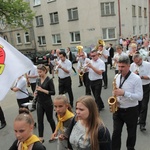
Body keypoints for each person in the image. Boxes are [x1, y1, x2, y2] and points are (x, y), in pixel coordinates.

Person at [111, 55, 143, 150]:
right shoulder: (116, 76)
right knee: (116, 133)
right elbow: (115, 91)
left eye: (122, 67)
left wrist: (124, 93)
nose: (120, 69)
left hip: (131, 110)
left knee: (131, 133)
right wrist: (114, 97)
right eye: (119, 66)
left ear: (129, 66)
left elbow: (140, 97)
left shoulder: (136, 78)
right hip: (118, 109)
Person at [36, 64, 56, 142]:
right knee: (39, 120)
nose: (39, 74)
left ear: (45, 71)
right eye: (38, 72)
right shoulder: (38, 80)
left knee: (50, 119)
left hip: (47, 103)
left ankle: (54, 133)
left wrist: (42, 90)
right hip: (39, 102)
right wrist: (36, 92)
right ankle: (41, 137)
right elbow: (37, 89)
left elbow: (53, 92)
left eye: (40, 72)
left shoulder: (49, 80)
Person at [130, 54, 150, 131]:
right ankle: (138, 118)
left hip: (145, 86)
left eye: (138, 62)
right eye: (135, 62)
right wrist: (133, 75)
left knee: (144, 105)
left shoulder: (147, 65)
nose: (137, 64)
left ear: (141, 59)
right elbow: (130, 75)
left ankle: (142, 123)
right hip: (136, 87)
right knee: (138, 104)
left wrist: (141, 76)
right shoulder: (132, 65)